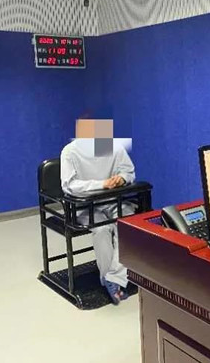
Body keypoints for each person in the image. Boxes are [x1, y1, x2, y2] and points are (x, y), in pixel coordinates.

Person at [60, 119, 136, 305]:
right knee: (102, 229)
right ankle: (111, 281)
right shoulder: (69, 152)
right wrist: (101, 184)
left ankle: (113, 278)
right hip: (85, 205)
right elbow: (69, 186)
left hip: (113, 201)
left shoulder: (114, 148)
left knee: (129, 225)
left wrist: (121, 179)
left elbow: (129, 172)